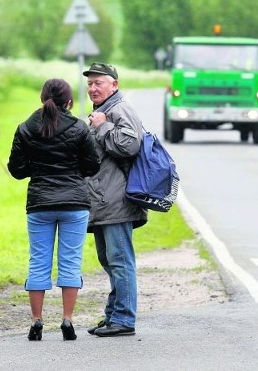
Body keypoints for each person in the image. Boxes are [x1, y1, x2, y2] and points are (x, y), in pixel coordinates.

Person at [7, 78, 101, 341]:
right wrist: (72, 172)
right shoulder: (80, 128)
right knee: (70, 262)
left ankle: (37, 321)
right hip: (74, 203)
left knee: (38, 262)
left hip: (40, 204)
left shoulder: (26, 128)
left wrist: (36, 170)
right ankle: (67, 320)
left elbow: (16, 169)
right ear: (69, 101)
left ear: (42, 98)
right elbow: (92, 166)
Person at [83, 62, 148, 337]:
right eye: (90, 83)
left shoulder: (119, 109)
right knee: (109, 260)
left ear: (114, 85)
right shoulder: (105, 111)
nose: (93, 88)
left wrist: (102, 127)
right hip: (102, 201)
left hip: (118, 201)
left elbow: (130, 146)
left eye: (99, 82)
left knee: (120, 261)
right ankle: (113, 314)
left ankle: (124, 319)